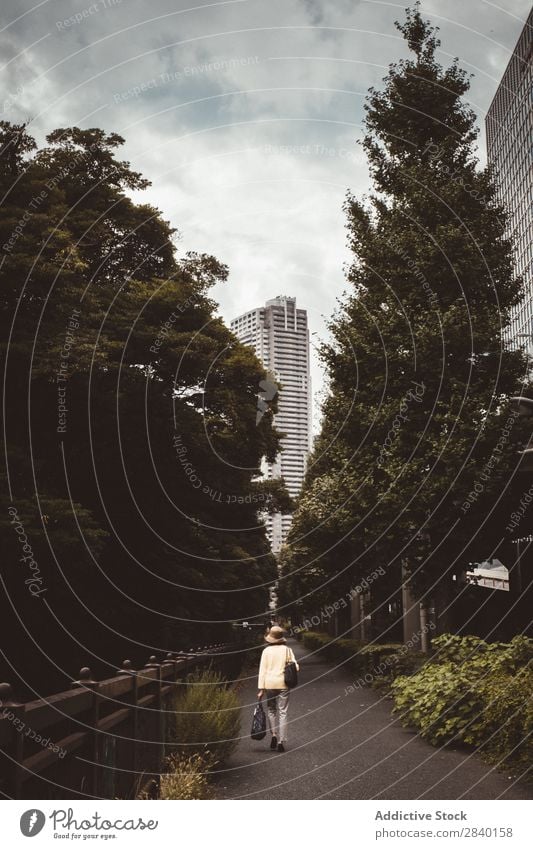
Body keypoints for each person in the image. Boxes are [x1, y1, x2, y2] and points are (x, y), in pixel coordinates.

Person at [257, 625, 299, 752]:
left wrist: (261, 689)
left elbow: (262, 671)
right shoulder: (287, 650)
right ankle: (281, 741)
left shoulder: (266, 651)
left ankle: (274, 735)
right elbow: (295, 667)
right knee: (283, 712)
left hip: (269, 684)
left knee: (271, 710)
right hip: (283, 684)